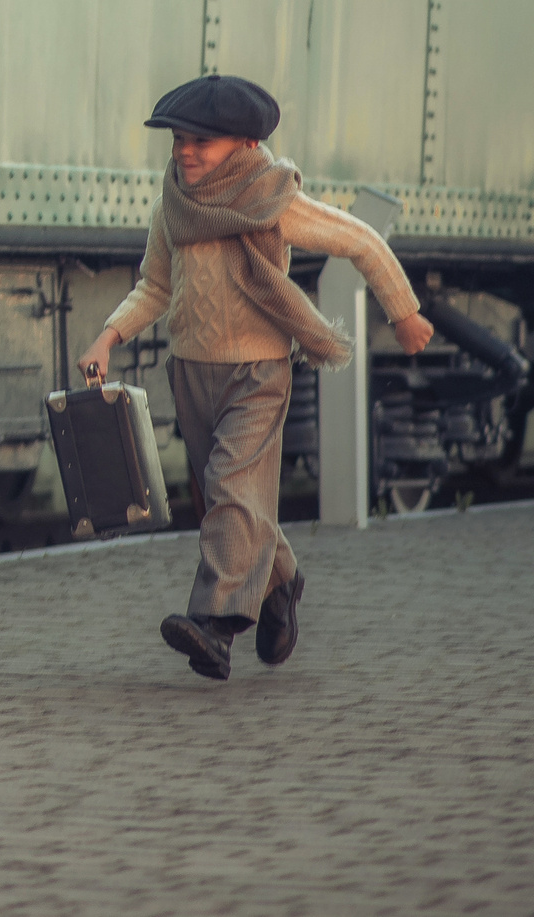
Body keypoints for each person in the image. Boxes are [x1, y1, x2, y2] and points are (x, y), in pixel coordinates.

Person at [78, 73, 433, 682]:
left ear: (244, 146)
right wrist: (109, 336)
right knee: (229, 498)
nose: (186, 152)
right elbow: (156, 285)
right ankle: (282, 583)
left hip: (257, 370)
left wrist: (404, 313)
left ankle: (214, 626)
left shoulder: (272, 200)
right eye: (179, 140)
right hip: (190, 370)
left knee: (231, 486)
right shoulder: (175, 204)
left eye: (203, 143)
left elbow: (361, 241)